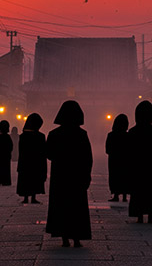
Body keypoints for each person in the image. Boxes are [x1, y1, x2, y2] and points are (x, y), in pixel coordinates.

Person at [46, 100, 92, 248]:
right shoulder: (82, 134)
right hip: (77, 174)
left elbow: (49, 154)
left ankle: (64, 237)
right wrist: (87, 174)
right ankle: (77, 237)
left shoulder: (54, 134)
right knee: (77, 205)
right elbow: (87, 157)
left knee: (61, 205)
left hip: (60, 174)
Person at [127, 100, 152, 224]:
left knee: (138, 191)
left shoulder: (133, 132)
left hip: (138, 166)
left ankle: (139, 215)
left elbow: (129, 151)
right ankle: (151, 215)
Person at [17, 113, 46, 204]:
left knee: (25, 179)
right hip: (37, 162)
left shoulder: (23, 136)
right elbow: (44, 150)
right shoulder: (40, 136)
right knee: (35, 179)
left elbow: (21, 150)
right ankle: (33, 197)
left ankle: (26, 197)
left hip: (25, 161)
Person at [105, 114, 130, 202]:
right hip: (125, 160)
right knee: (125, 176)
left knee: (115, 176)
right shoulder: (128, 136)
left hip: (114, 160)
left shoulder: (111, 135)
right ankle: (124, 196)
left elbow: (107, 149)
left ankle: (115, 195)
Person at [0, 120, 14, 186]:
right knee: (5, 168)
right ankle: (5, 181)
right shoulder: (7, 137)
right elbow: (10, 146)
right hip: (5, 156)